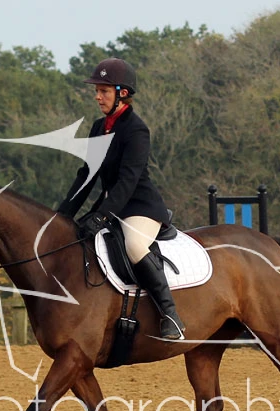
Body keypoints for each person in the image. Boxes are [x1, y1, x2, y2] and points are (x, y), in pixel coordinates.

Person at [56, 58, 185, 340]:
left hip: (140, 207)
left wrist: (101, 215)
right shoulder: (98, 127)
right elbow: (86, 175)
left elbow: (128, 180)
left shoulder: (136, 130)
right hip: (112, 207)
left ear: (122, 93)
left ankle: (170, 314)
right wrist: (63, 215)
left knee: (135, 246)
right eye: (97, 91)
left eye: (103, 91)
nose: (97, 96)